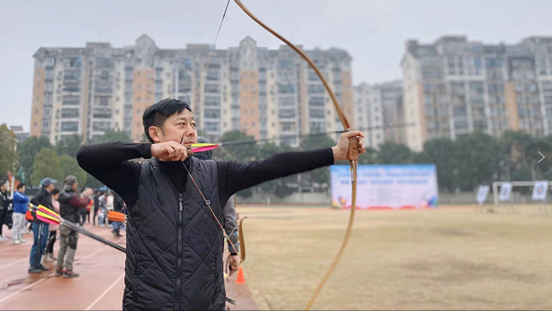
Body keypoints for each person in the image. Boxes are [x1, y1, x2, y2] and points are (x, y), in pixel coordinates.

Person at [76, 98, 366, 310]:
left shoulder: (218, 174)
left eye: (193, 124)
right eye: (181, 125)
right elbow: (87, 156)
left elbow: (271, 166)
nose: (191, 131)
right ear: (156, 133)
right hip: (146, 305)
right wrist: (147, 151)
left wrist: (334, 153)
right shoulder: (135, 178)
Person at [193, 137, 241, 276]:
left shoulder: (178, 176)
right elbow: (230, 220)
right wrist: (234, 251)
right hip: (211, 249)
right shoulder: (221, 178)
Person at [56, 175, 93, 278]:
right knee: (71, 246)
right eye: (75, 184)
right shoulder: (72, 196)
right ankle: (68, 269)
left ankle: (59, 267)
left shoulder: (62, 195)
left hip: (63, 222)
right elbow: (81, 204)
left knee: (62, 246)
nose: (76, 185)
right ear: (72, 184)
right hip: (71, 224)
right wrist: (86, 196)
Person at [29, 178, 57, 273]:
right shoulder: (41, 193)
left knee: (43, 243)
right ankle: (33, 265)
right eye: (52, 184)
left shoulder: (48, 194)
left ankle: (38, 263)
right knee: (38, 243)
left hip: (45, 221)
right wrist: (42, 210)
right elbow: (33, 200)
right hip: (39, 221)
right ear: (48, 185)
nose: (54, 185)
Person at [44, 189, 61, 262]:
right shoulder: (50, 202)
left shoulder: (56, 202)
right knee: (49, 240)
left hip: (55, 222)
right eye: (57, 195)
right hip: (50, 223)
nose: (58, 197)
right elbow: (56, 209)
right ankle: (46, 254)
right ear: (53, 195)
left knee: (53, 239)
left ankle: (51, 253)